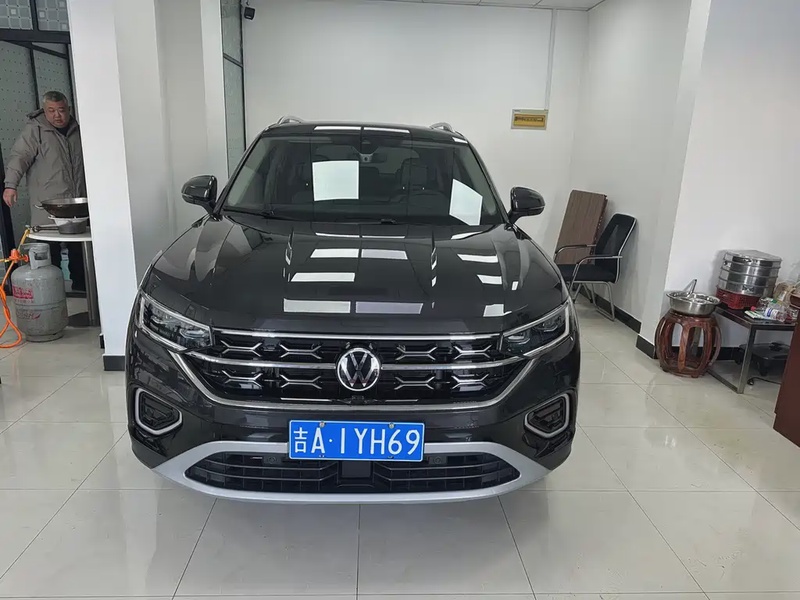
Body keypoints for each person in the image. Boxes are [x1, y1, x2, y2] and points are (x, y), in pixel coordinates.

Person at [3, 90, 86, 292]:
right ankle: (51, 295)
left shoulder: (80, 128)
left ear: (69, 109)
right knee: (50, 254)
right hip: (48, 208)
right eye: (51, 111)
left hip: (77, 207)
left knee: (81, 254)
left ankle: (83, 292)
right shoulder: (35, 131)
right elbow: (19, 157)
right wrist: (10, 185)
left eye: (61, 110)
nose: (57, 115)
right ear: (44, 111)